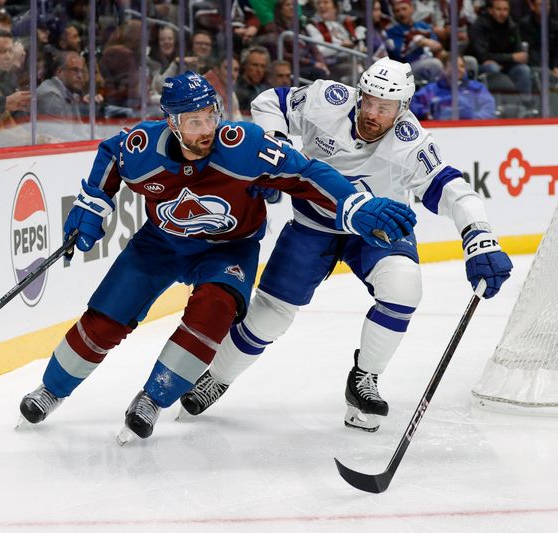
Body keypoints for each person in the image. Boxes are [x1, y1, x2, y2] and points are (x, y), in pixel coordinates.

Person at [17, 71, 417, 444]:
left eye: (211, 116)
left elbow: (308, 174)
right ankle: (51, 390)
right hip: (161, 243)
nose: (206, 129)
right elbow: (110, 155)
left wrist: (354, 205)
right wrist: (93, 201)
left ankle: (154, 397)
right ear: (172, 123)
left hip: (230, 248)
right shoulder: (142, 148)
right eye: (194, 121)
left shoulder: (245, 147)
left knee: (216, 309)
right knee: (106, 317)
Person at [180, 58, 513, 432]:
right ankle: (218, 377)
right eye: (367, 99)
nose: (371, 112)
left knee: (403, 288)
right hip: (312, 224)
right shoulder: (328, 99)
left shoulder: (411, 142)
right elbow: (269, 101)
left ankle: (364, 380)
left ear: (402, 108)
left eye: (384, 108)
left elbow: (453, 189)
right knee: (269, 314)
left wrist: (479, 236)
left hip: (378, 228)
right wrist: (273, 146)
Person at [410, 53, 496, 120]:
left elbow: (489, 110)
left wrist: (471, 117)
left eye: (462, 66)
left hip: (473, 130)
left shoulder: (477, 87)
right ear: (444, 68)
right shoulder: (431, 89)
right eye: (454, 66)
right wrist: (429, 114)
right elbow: (413, 105)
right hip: (440, 130)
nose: (459, 69)